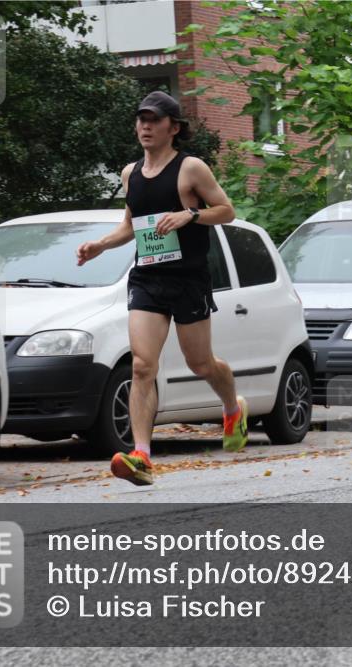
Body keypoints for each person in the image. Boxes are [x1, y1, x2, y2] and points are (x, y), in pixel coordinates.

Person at [76, 91, 245, 486]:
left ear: (174, 127)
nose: (145, 127)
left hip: (188, 279)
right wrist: (101, 245)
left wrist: (190, 215)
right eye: (141, 120)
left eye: (154, 120)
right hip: (148, 279)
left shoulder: (191, 169)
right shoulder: (130, 173)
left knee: (200, 364)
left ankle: (231, 406)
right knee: (141, 365)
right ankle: (142, 456)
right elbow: (131, 226)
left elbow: (227, 210)